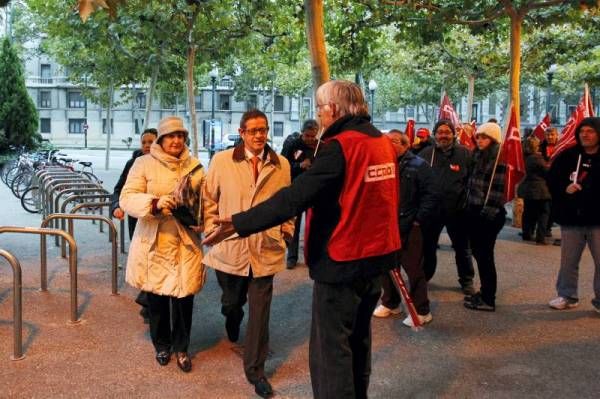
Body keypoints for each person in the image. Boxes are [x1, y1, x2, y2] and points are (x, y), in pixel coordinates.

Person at [203, 80, 400, 399]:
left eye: (320, 109)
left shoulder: (341, 146)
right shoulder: (381, 141)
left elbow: (294, 198)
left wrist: (239, 223)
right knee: (359, 342)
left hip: (342, 263)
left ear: (333, 109)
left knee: (330, 354)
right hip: (376, 262)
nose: (319, 116)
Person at [202, 109, 294, 398]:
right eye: (253, 130)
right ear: (241, 133)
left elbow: (288, 203)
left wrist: (287, 232)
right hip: (229, 247)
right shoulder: (221, 161)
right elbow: (208, 199)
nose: (259, 135)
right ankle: (231, 315)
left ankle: (255, 370)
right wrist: (210, 228)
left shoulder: (282, 165)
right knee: (232, 301)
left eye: (263, 130)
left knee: (260, 312)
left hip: (265, 247)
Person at [120, 116, 206, 373]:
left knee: (184, 298)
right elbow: (127, 197)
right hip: (155, 241)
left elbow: (207, 200)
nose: (176, 140)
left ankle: (182, 348)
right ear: (161, 139)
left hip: (186, 242)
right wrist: (155, 203)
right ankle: (162, 345)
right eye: (171, 136)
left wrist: (204, 220)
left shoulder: (197, 166)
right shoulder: (143, 163)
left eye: (180, 136)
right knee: (157, 297)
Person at [373, 131, 437, 326]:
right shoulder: (383, 165)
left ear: (405, 144)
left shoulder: (419, 166)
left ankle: (422, 310)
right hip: (386, 225)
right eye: (386, 142)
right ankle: (391, 303)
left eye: (393, 142)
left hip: (410, 226)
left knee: (413, 268)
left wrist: (418, 220)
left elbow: (432, 194)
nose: (389, 145)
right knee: (386, 267)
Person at [546, 117, 600, 313]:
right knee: (569, 261)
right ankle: (567, 295)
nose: (585, 134)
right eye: (582, 131)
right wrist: (564, 188)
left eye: (590, 131)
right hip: (572, 219)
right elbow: (551, 180)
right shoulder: (568, 156)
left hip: (598, 220)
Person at [419, 120, 475, 294]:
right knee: (427, 247)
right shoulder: (425, 154)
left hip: (457, 212)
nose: (443, 135)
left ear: (453, 134)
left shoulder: (465, 154)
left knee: (462, 248)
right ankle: (423, 278)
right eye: (440, 132)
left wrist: (467, 204)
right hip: (431, 212)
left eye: (447, 132)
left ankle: (467, 281)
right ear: (434, 134)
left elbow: (472, 181)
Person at [111, 128, 158, 320]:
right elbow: (118, 189)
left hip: (159, 221)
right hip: (137, 221)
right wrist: (116, 206)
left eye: (151, 142)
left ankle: (149, 301)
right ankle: (149, 299)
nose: (147, 146)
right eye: (144, 142)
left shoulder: (165, 164)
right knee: (144, 260)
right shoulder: (133, 163)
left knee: (154, 261)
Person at [462, 122, 506, 312]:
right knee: (480, 255)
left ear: (494, 139)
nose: (479, 140)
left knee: (485, 257)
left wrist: (484, 216)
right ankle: (485, 291)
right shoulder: (478, 155)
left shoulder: (498, 159)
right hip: (474, 210)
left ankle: (489, 298)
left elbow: (497, 192)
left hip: (488, 214)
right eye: (478, 136)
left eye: (484, 137)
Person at [280, 119, 319, 269]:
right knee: (293, 226)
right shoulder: (292, 144)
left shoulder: (319, 147)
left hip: (313, 191)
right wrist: (299, 165)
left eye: (313, 136)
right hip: (296, 190)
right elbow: (282, 166)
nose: (310, 139)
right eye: (307, 136)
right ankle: (292, 257)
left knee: (313, 225)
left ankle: (311, 256)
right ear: (302, 133)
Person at [517, 136, 551, 244]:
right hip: (540, 190)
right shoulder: (537, 158)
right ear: (536, 146)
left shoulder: (523, 157)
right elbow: (547, 172)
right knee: (543, 212)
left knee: (528, 212)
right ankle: (540, 237)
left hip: (527, 188)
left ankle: (527, 233)